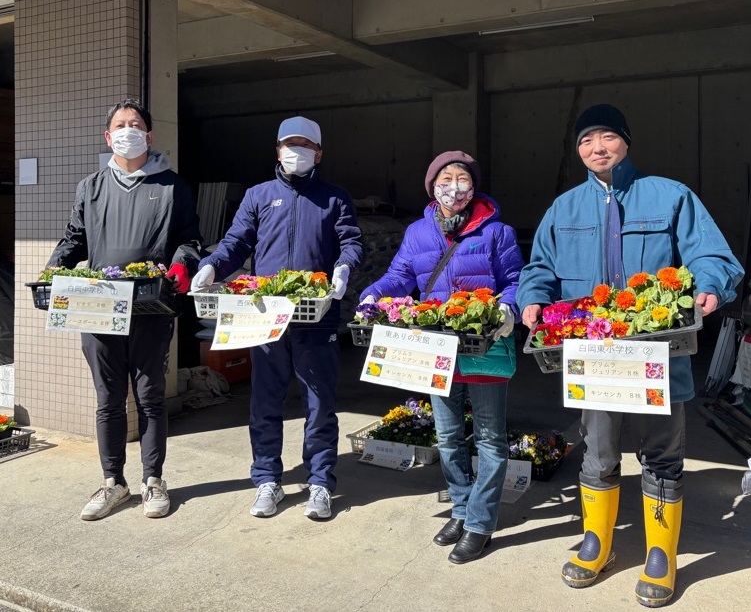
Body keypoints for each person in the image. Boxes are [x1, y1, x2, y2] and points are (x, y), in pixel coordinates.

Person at [516, 104, 744, 607]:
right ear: (578, 151)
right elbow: (540, 267)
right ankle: (598, 543)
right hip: (593, 356)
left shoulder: (670, 195)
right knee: (597, 449)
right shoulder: (564, 208)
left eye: (607, 137)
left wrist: (708, 284)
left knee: (662, 452)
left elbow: (711, 254)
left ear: (626, 141)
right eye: (586, 141)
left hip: (658, 353)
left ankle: (660, 552)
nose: (597, 148)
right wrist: (531, 296)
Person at [191, 116, 362, 520]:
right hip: (265, 316)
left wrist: (343, 270)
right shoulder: (258, 195)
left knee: (319, 404)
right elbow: (237, 242)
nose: (295, 151)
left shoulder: (334, 198)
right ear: (277, 150)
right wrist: (212, 266)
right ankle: (267, 479)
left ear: (318, 153)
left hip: (316, 318)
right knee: (265, 402)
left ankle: (320, 483)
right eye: (289, 143)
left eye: (304, 144)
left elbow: (351, 242)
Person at [360, 151, 524, 564]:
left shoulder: (497, 231)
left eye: (463, 178)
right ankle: (461, 508)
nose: (454, 186)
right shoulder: (418, 232)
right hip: (435, 349)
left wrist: (509, 308)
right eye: (445, 178)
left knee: (488, 438)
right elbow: (401, 274)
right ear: (432, 185)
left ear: (475, 186)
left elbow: (516, 281)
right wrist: (375, 292)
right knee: (449, 436)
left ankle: (481, 523)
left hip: (485, 346)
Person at [48, 98, 203, 521]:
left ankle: (154, 480)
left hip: (152, 304)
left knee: (151, 396)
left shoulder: (172, 186)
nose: (128, 129)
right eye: (121, 124)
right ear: (108, 136)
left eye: (136, 124)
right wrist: (52, 268)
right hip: (98, 306)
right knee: (108, 399)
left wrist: (180, 265)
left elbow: (191, 239)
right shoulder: (91, 187)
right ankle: (112, 482)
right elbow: (74, 238)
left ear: (149, 136)